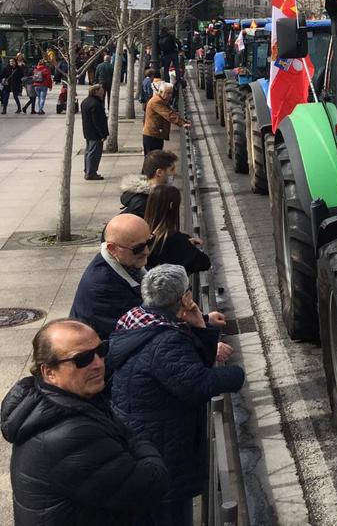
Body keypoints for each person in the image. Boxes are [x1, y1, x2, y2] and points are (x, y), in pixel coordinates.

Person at [109, 266, 245, 526]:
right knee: (169, 515)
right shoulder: (166, 340)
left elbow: (190, 366)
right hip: (162, 450)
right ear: (184, 298)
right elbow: (197, 383)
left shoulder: (138, 319)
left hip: (141, 436)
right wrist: (235, 375)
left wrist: (199, 325)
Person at [1, 319, 169, 525]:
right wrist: (135, 440)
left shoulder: (56, 402)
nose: (98, 363)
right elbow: (151, 486)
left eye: (101, 350)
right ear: (49, 372)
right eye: (83, 359)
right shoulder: (70, 436)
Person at [69, 214, 153, 340]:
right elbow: (145, 326)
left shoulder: (125, 261)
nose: (146, 251)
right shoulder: (104, 286)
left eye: (150, 241)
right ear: (112, 248)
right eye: (138, 248)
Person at [145, 185, 210, 274]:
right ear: (172, 206)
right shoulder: (172, 240)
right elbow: (204, 262)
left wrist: (185, 242)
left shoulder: (142, 233)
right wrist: (185, 245)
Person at [120, 150, 179, 218]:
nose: (174, 173)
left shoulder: (156, 196)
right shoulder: (143, 203)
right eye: (172, 169)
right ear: (159, 172)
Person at [141, 83, 189, 155]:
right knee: (152, 160)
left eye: (171, 93)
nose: (170, 95)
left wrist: (184, 121)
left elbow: (171, 112)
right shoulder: (156, 101)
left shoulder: (162, 100)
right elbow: (168, 114)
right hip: (152, 135)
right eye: (168, 93)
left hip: (157, 135)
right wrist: (182, 123)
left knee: (156, 160)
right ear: (161, 92)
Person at [81, 84, 109, 181]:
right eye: (101, 90)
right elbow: (97, 121)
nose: (103, 92)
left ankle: (88, 170)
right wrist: (103, 134)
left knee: (89, 151)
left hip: (88, 132)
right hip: (95, 133)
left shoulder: (86, 102)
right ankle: (91, 172)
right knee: (94, 153)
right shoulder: (95, 104)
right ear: (96, 91)